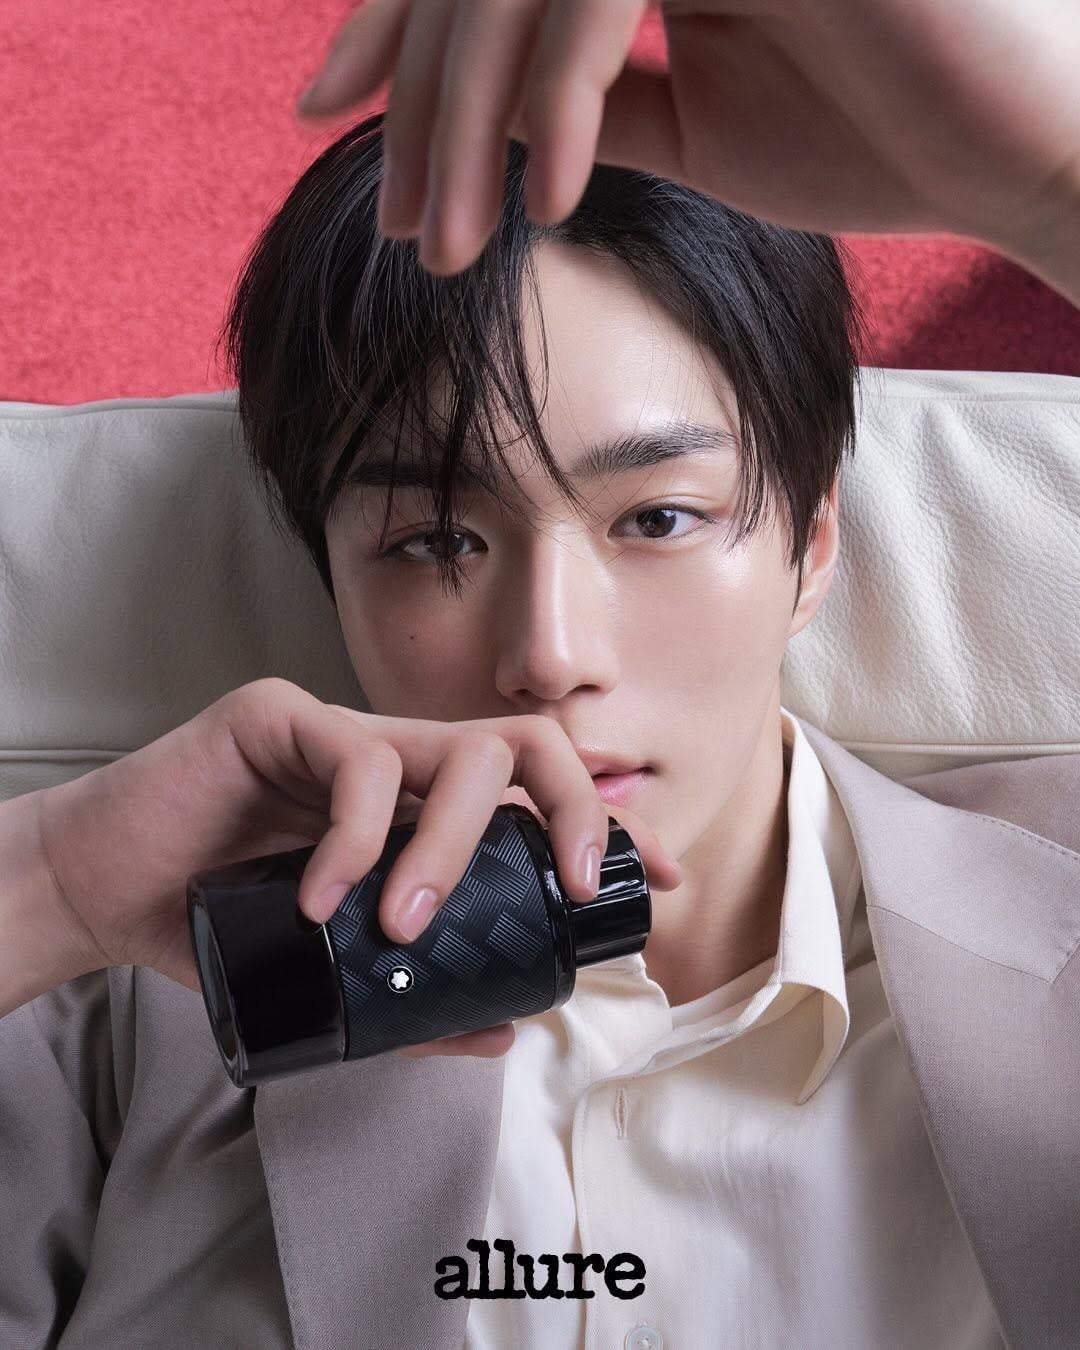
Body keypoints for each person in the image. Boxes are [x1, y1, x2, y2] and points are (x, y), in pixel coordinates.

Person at [1, 1, 1078, 1347]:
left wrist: (1054, 188)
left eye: (658, 518)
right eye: (435, 541)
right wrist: (46, 885)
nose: (549, 654)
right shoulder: (116, 995)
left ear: (810, 546)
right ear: (332, 580)